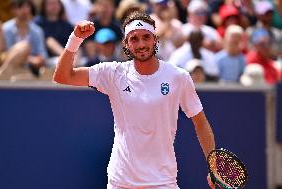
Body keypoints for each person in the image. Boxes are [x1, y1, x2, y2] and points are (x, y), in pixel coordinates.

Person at [53, 12, 216, 189]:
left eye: (146, 37)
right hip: (121, 181)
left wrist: (213, 167)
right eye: (134, 39)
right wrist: (76, 38)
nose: (141, 44)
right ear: (126, 44)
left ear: (155, 39)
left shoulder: (178, 77)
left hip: (163, 182)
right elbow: (63, 76)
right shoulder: (113, 73)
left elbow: (201, 123)